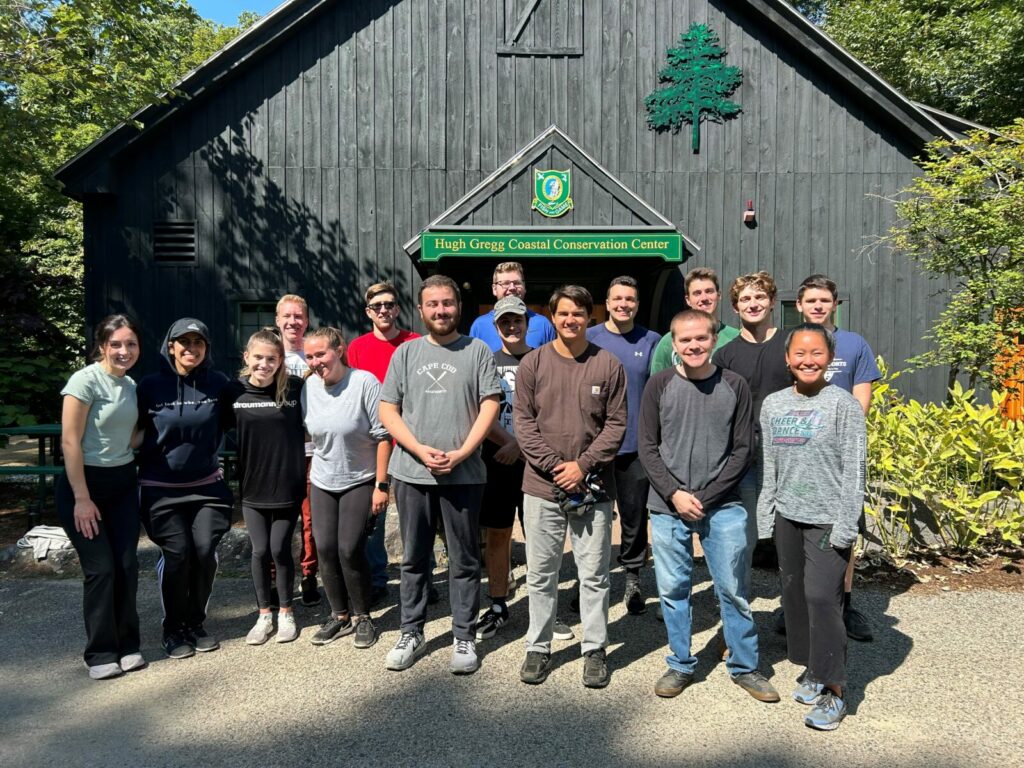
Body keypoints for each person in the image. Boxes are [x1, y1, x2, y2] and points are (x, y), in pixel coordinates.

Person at [638, 310, 779, 703]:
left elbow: (743, 450)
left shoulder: (734, 385)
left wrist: (707, 495)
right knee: (673, 589)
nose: (694, 346)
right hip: (668, 507)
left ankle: (746, 666)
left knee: (733, 589)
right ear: (674, 343)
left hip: (724, 505)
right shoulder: (659, 385)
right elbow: (648, 448)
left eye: (701, 338)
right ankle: (680, 664)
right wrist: (675, 494)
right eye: (685, 340)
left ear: (713, 339)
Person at [379, 275, 500, 674]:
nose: (441, 310)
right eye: (433, 304)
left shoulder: (478, 350)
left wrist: (464, 451)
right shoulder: (406, 354)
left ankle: (463, 634)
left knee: (465, 559)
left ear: (457, 307)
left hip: (464, 475)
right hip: (412, 472)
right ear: (421, 309)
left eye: (447, 303)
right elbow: (388, 411)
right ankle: (411, 630)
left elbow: (489, 405)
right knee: (414, 558)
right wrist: (417, 449)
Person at [515, 285, 627, 688]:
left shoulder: (607, 364)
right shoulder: (533, 364)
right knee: (542, 572)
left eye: (578, 313)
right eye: (563, 313)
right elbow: (524, 425)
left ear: (588, 317)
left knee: (594, 573)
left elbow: (615, 426)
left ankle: (595, 648)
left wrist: (581, 466)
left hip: (593, 486)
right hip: (541, 487)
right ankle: (538, 647)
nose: (570, 320)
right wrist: (555, 467)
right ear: (552, 316)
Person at [757, 323, 866, 731]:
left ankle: (835, 689)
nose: (807, 360)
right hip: (788, 515)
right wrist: (766, 513)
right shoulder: (773, 404)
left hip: (827, 517)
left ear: (829, 359)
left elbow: (856, 469)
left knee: (823, 598)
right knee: (795, 596)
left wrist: (846, 525)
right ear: (788, 359)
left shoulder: (842, 405)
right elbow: (771, 464)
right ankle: (814, 670)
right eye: (800, 354)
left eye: (816, 353)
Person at [137, 318, 234, 659]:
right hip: (160, 489)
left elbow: (245, 417)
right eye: (184, 342)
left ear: (206, 349)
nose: (191, 348)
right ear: (171, 346)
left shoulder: (219, 384)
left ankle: (195, 622)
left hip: (207, 487)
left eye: (198, 343)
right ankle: (173, 627)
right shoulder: (149, 386)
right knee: (178, 555)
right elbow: (131, 431)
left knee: (205, 551)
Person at [57, 314, 145, 680]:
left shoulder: (130, 385)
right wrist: (81, 498)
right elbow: (69, 440)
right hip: (84, 485)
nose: (124, 351)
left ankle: (127, 645)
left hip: (123, 482)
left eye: (131, 344)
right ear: (102, 345)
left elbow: (131, 438)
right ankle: (100, 652)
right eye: (117, 344)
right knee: (101, 569)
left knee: (126, 566)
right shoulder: (85, 380)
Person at [796, 274, 881, 642]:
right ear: (799, 305)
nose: (817, 306)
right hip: (800, 451)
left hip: (840, 453)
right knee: (798, 530)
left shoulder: (854, 344)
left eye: (824, 300)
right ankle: (798, 606)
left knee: (843, 529)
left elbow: (862, 398)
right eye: (811, 300)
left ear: (835, 304)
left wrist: (843, 439)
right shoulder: (794, 342)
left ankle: (844, 603)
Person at [302, 327, 392, 648]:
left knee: (349, 548)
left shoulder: (364, 382)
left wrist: (382, 485)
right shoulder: (309, 388)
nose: (315, 362)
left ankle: (363, 615)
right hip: (324, 480)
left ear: (338, 350)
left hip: (360, 478)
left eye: (321, 353)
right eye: (309, 356)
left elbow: (383, 436)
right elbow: (307, 434)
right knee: (325, 548)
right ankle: (340, 616)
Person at [224, 329, 307, 645]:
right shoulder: (233, 392)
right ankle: (263, 614)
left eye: (271, 358)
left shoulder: (295, 389)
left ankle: (286, 611)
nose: (264, 363)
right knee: (259, 551)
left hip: (286, 486)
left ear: (280, 360)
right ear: (246, 357)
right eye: (258, 357)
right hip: (252, 488)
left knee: (279, 549)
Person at [586, 276, 660, 614]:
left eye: (630, 299)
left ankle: (632, 579)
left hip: (635, 445)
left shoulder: (652, 340)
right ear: (607, 301)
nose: (623, 304)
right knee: (592, 514)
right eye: (617, 298)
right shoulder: (589, 338)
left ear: (637, 304)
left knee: (633, 517)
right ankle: (590, 579)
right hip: (594, 446)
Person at [347, 281, 421, 606]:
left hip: (409, 441)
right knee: (374, 516)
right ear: (368, 312)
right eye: (376, 306)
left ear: (397, 308)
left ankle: (420, 577)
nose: (383, 310)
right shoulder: (357, 348)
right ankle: (378, 579)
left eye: (389, 304)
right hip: (373, 443)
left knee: (415, 516)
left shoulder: (414, 342)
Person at [712, 272, 792, 570]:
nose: (753, 303)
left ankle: (792, 604)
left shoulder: (790, 344)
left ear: (772, 302)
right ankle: (739, 601)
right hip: (743, 452)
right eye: (745, 298)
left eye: (760, 297)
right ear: (735, 307)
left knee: (786, 527)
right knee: (745, 530)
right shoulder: (724, 356)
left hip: (787, 449)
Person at [476, 295, 532, 641]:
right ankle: (498, 603)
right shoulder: (486, 361)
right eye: (505, 322)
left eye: (517, 321)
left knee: (541, 541)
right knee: (498, 536)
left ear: (528, 324)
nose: (512, 327)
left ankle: (545, 609)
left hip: (535, 463)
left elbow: (550, 413)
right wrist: (508, 444)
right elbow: (478, 410)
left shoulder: (542, 359)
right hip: (496, 460)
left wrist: (523, 446)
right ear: (496, 327)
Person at [275, 294, 319, 607]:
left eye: (299, 316)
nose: (293, 322)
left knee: (311, 521)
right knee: (278, 519)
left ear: (306, 320)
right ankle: (277, 579)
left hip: (311, 451)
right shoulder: (269, 355)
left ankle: (309, 575)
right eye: (287, 316)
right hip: (278, 452)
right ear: (278, 320)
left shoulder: (314, 355)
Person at [650, 267, 740, 375]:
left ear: (718, 295)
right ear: (688, 300)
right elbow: (658, 385)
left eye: (709, 291)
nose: (704, 298)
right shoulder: (669, 341)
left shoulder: (735, 337)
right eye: (697, 293)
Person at [469, 261, 555, 351]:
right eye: (505, 283)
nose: (512, 288)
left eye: (517, 283)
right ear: (494, 289)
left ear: (524, 287)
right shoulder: (479, 326)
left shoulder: (543, 324)